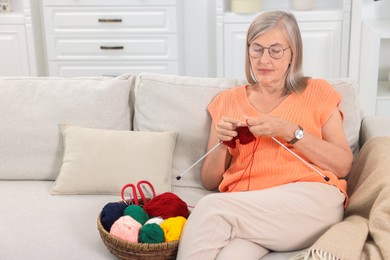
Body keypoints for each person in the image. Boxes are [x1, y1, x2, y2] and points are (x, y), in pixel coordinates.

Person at [176, 10, 353, 260]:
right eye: (256, 49)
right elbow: (209, 181)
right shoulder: (227, 101)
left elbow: (343, 164)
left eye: (276, 50)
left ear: (293, 53)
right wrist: (223, 143)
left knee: (210, 208)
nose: (264, 59)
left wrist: (290, 131)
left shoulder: (318, 91)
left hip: (310, 201)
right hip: (251, 211)